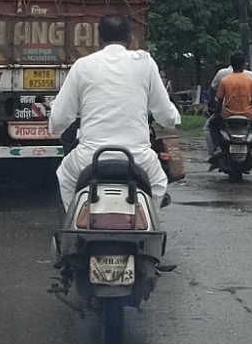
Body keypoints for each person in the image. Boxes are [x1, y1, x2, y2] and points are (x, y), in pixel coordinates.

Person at [48, 14, 179, 212]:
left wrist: (54, 125)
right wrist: (173, 119)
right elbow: (166, 116)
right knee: (159, 182)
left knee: (65, 176)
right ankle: (147, 226)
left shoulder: (82, 66)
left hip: (90, 158)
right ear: (129, 41)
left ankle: (73, 227)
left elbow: (58, 120)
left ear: (99, 40)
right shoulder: (145, 63)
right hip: (138, 158)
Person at [207, 53, 252, 176]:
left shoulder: (225, 80)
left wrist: (216, 113)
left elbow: (220, 101)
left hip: (228, 114)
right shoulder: (249, 79)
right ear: (242, 65)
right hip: (248, 114)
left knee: (212, 125)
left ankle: (217, 148)